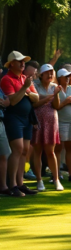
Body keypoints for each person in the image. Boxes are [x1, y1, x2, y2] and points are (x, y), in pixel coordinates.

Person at [1, 51, 41, 197]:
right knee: (17, 149)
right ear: (12, 64)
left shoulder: (24, 77)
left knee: (25, 150)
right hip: (14, 118)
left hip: (26, 119)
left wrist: (27, 92)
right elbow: (12, 101)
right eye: (20, 61)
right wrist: (25, 89)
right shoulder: (7, 79)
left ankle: (20, 183)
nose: (23, 63)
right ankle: (12, 185)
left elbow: (36, 98)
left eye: (24, 61)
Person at [31, 64, 63, 191]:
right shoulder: (35, 86)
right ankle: (39, 180)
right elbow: (35, 103)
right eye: (47, 73)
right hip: (38, 121)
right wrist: (50, 96)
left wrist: (56, 95)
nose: (50, 75)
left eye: (52, 73)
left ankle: (56, 180)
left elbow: (56, 105)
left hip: (51, 121)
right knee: (37, 151)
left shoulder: (55, 87)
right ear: (41, 75)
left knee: (50, 151)